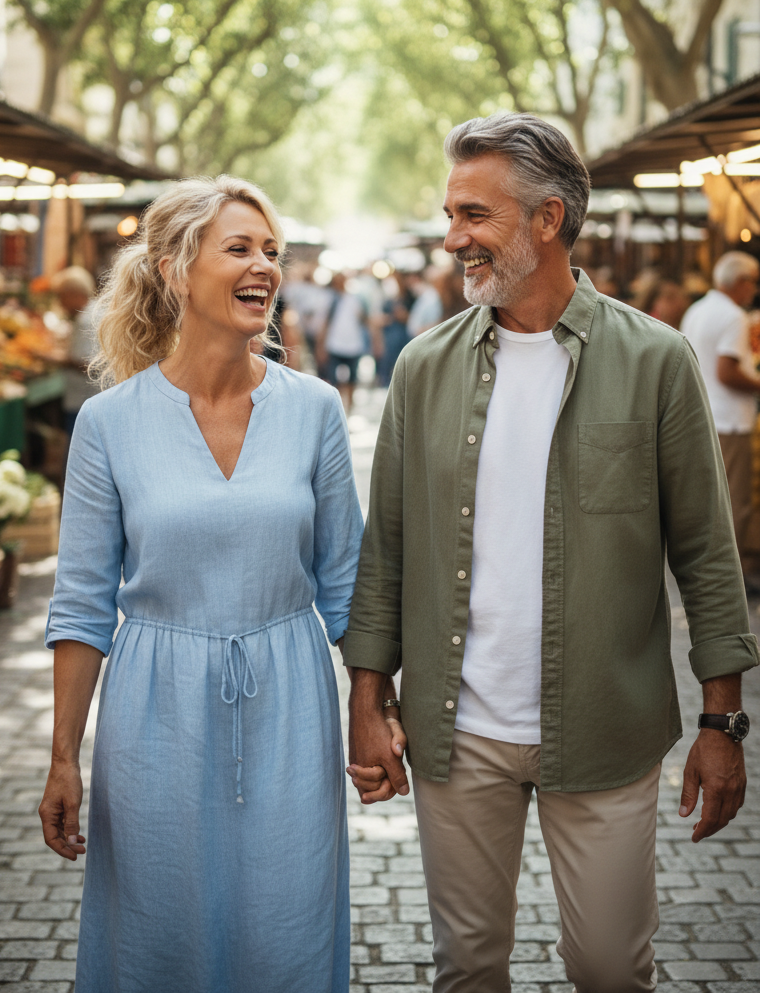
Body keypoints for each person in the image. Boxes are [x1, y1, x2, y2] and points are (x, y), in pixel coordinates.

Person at [342, 112, 758, 992]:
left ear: (549, 220)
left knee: (611, 968)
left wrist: (722, 724)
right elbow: (387, 553)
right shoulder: (422, 368)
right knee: (467, 968)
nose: (453, 238)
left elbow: (708, 560)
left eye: (474, 216)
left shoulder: (657, 361)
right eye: (451, 214)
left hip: (606, 727)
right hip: (456, 731)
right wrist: (368, 697)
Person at [38, 176, 363, 992]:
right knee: (158, 934)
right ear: (176, 269)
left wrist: (375, 707)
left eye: (271, 252)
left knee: (287, 929)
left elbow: (348, 586)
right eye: (240, 248)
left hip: (290, 702)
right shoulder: (108, 423)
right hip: (154, 711)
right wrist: (62, 758)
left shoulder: (315, 409)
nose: (265, 267)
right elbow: (80, 603)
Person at [680, 252, 760, 568]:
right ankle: (733, 571)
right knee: (735, 501)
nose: (754, 289)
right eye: (753, 282)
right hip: (730, 420)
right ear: (740, 282)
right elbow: (726, 372)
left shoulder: (697, 310)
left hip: (705, 414)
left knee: (712, 499)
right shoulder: (733, 316)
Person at [52, 265, 98, 438]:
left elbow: (88, 365)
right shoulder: (92, 314)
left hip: (84, 400)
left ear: (75, 294)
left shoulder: (86, 321)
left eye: (61, 296)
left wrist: (59, 359)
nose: (60, 303)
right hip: (87, 399)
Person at [316, 272, 368, 413]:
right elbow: (324, 323)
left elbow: (363, 320)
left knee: (352, 378)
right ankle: (337, 409)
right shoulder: (329, 300)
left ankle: (349, 409)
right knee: (333, 379)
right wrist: (321, 346)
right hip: (334, 344)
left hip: (353, 344)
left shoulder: (354, 299)